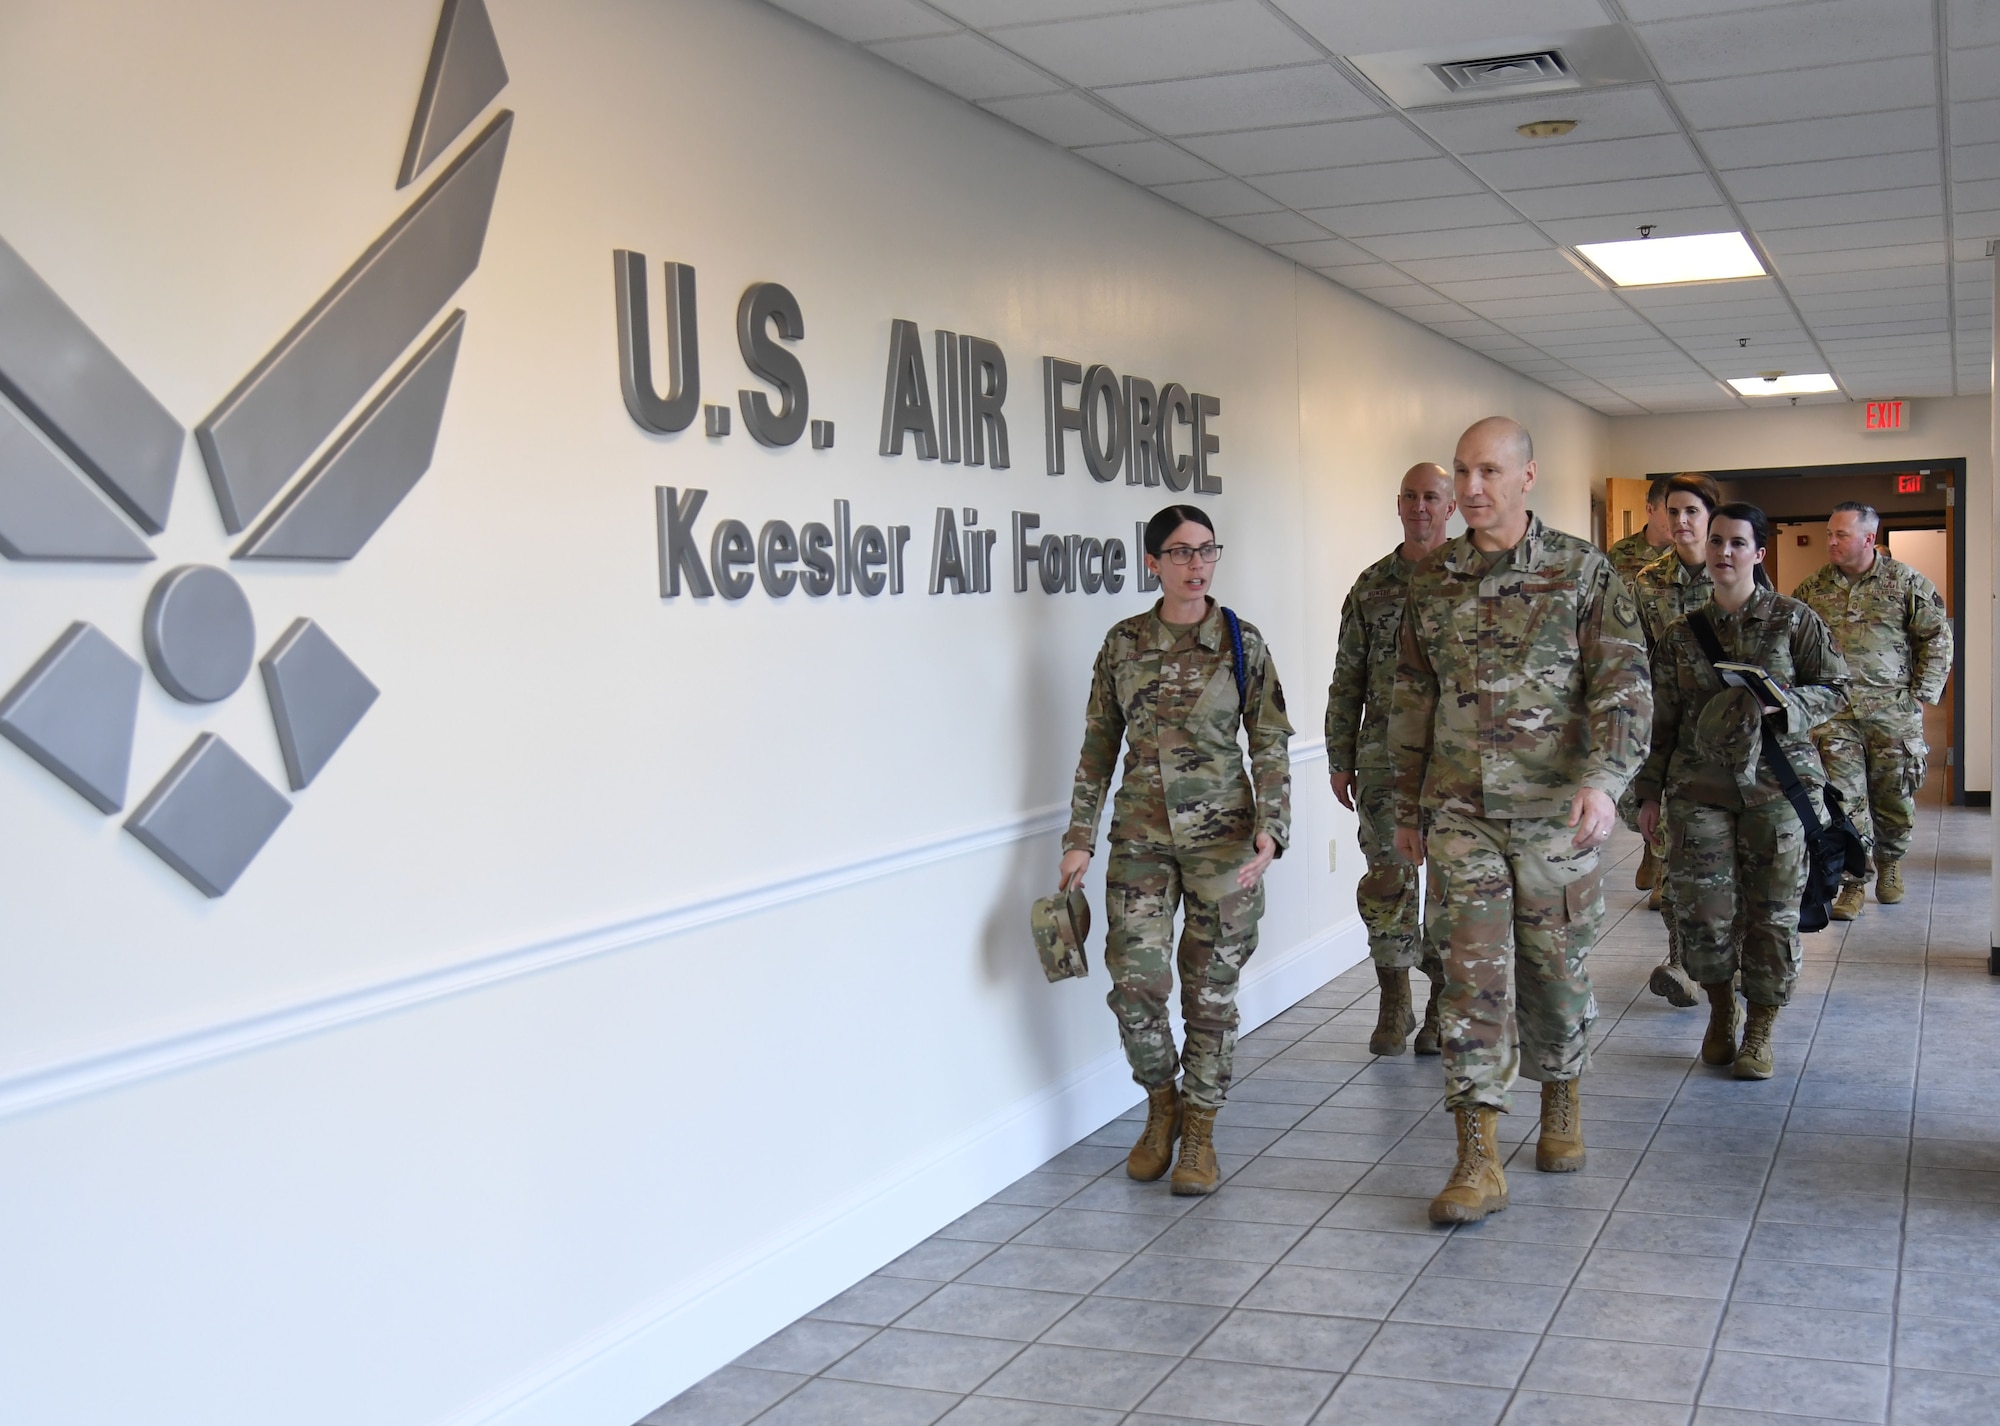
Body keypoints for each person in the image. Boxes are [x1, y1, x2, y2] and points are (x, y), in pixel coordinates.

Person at [1390, 417, 1650, 1225]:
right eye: (1464, 472)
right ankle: (1476, 1156)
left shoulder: (1582, 572)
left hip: (1555, 814)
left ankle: (1562, 1096)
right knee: (1469, 973)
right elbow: (1410, 701)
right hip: (1461, 811)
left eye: (1489, 472)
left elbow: (1625, 686)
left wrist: (1605, 781)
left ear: (1526, 478)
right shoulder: (1433, 583)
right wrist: (1403, 806)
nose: (1471, 489)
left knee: (1554, 965)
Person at [1059, 504, 1292, 1196]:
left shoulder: (1240, 641)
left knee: (1210, 994)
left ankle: (1201, 1132)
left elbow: (1272, 739)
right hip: (1140, 841)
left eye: (1207, 550)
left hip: (1226, 845)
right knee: (1134, 983)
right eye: (1182, 553)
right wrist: (1079, 838)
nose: (1197, 565)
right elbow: (1098, 745)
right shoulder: (1123, 644)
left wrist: (1273, 826)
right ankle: (1160, 1104)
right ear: (1153, 563)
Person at [1634, 504, 1848, 1080]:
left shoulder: (1793, 619)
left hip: (1777, 792)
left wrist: (1783, 704)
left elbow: (1837, 688)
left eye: (1737, 543)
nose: (1725, 553)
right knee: (1702, 914)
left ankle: (1761, 1028)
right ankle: (1722, 1009)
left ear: (1758, 553)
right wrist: (1647, 796)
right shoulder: (1681, 636)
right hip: (1698, 793)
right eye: (1717, 542)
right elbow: (1661, 723)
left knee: (1772, 915)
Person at [1326, 463, 1455, 1057]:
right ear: (1397, 504)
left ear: (1451, 506)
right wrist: (1338, 753)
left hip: (1458, 762)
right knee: (1387, 881)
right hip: (1382, 761)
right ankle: (1395, 998)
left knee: (1454, 891)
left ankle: (1442, 1008)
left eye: (1432, 497)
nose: (1420, 507)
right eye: (1411, 497)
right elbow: (1347, 676)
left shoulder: (1472, 580)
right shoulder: (1372, 586)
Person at [1791, 502, 1953, 917]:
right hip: (1835, 715)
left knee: (1894, 797)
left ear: (1868, 539)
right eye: (1829, 533)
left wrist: (1920, 695)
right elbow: (1792, 646)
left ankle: (1891, 862)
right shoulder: (1811, 591)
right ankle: (1852, 883)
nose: (1830, 541)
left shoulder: (1905, 582)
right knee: (1843, 801)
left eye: (1840, 535)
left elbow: (1937, 638)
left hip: (1892, 713)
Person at [1627, 473, 1723, 1007]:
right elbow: (1632, 658)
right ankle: (1681, 962)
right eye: (1673, 511)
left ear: (1710, 516)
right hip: (1670, 740)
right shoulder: (1645, 583)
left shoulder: (1736, 569)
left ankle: (1725, 968)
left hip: (1732, 745)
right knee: (1672, 854)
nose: (1681, 521)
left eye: (1692, 511)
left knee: (1725, 866)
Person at [1607, 475, 1674, 585]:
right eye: (1671, 511)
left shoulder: (1691, 553)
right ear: (1650, 510)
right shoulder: (1618, 553)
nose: (1679, 519)